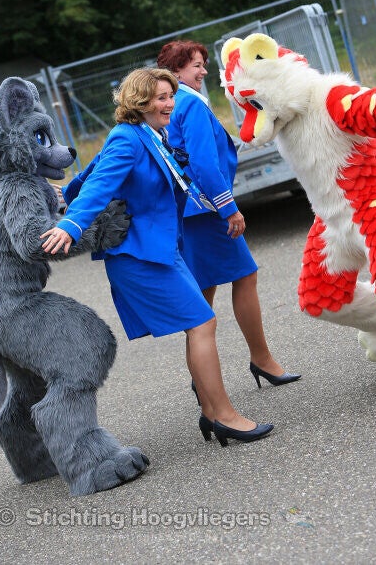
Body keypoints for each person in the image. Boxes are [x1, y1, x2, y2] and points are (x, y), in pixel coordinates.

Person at [41, 67, 273, 445]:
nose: (170, 104)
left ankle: (212, 413)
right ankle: (223, 415)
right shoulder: (127, 138)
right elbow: (100, 184)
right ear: (140, 101)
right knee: (202, 322)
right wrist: (71, 223)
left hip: (163, 249)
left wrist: (67, 191)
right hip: (139, 255)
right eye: (162, 97)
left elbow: (92, 169)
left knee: (200, 323)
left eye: (171, 96)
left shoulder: (148, 133)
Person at [156, 40, 301, 392]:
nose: (204, 71)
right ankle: (260, 360)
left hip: (189, 209)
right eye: (196, 65)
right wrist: (229, 208)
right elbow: (204, 163)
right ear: (175, 70)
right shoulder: (189, 103)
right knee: (244, 277)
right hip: (207, 209)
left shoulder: (171, 104)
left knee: (203, 295)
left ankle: (203, 378)